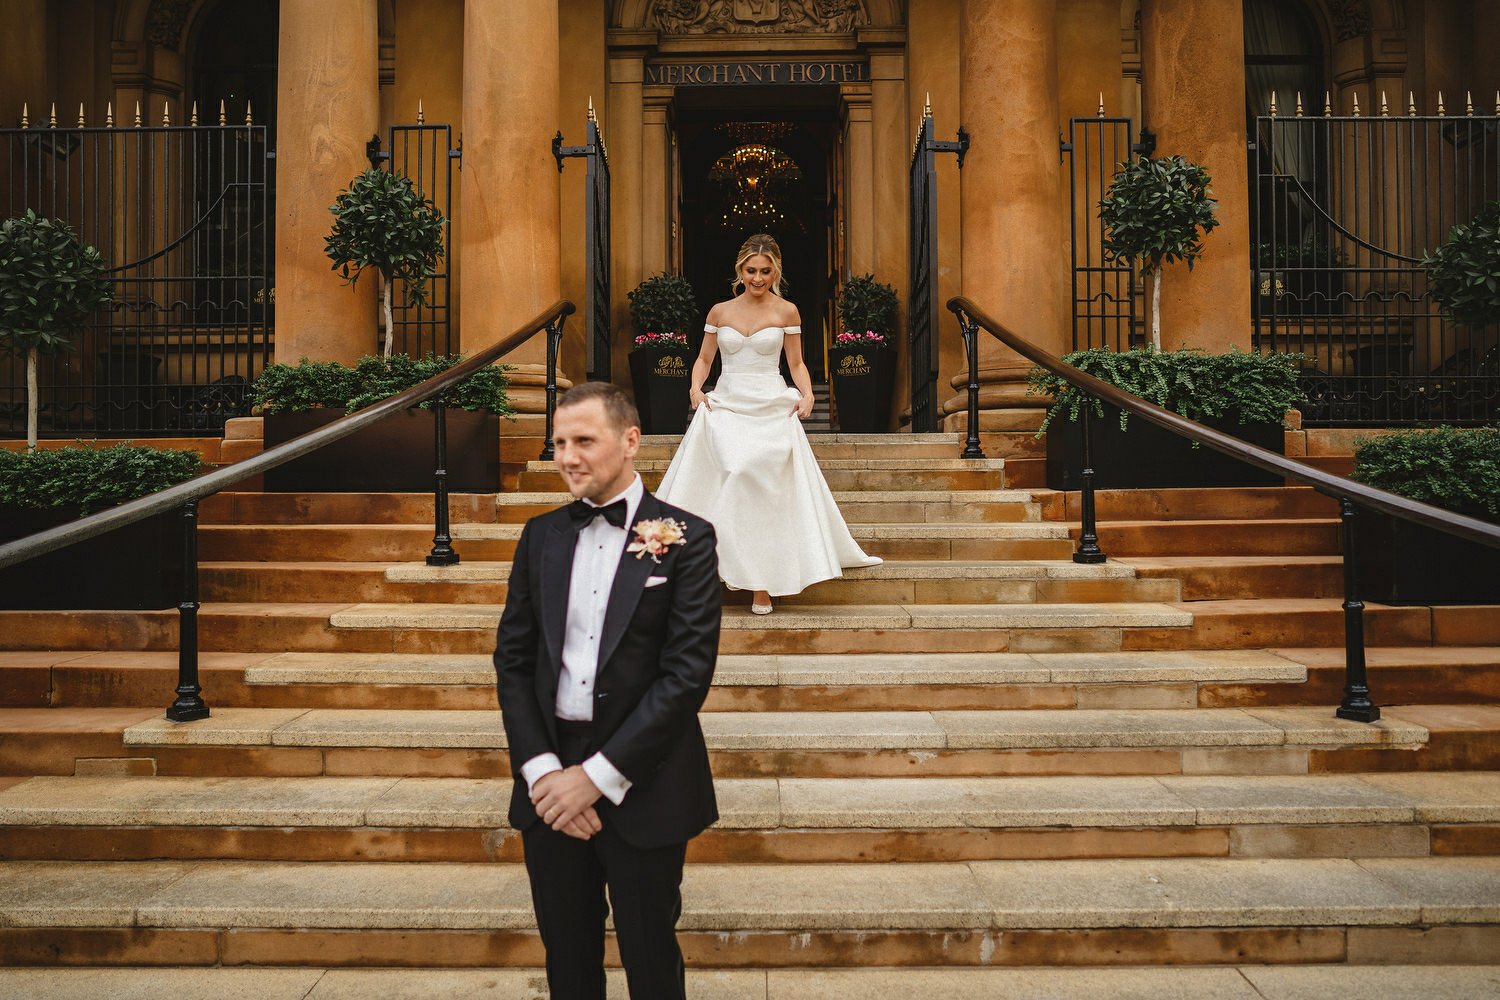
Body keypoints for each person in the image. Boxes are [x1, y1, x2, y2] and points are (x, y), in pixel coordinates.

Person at [493, 381, 722, 1000]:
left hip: (646, 780)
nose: (567, 456)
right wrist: (544, 773)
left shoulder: (688, 539)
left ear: (630, 441)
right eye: (560, 442)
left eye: (583, 441)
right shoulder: (540, 536)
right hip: (549, 789)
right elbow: (513, 662)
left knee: (651, 964)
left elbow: (686, 675)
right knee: (568, 964)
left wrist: (594, 778)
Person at [656, 232, 881, 614]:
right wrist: (695, 388)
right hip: (726, 405)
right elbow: (704, 359)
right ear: (739, 270)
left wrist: (807, 394)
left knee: (759, 484)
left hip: (771, 406)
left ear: (775, 270)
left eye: (765, 271)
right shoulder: (719, 312)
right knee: (735, 470)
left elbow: (795, 363)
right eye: (750, 270)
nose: (757, 278)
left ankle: (761, 582)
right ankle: (710, 569)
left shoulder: (787, 311)